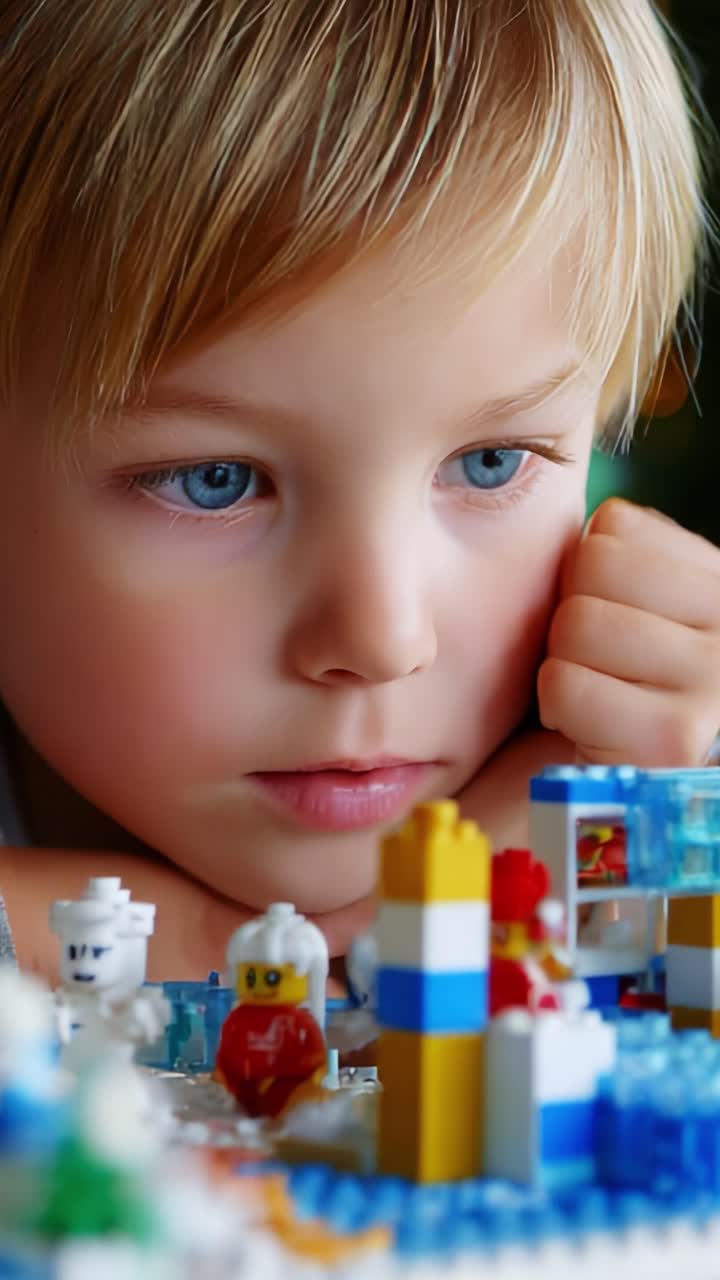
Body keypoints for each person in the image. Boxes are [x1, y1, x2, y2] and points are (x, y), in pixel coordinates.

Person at [1, 0, 719, 984]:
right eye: (216, 482)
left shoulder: (655, 747)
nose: (384, 640)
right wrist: (191, 942)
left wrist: (632, 791)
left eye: (492, 462)